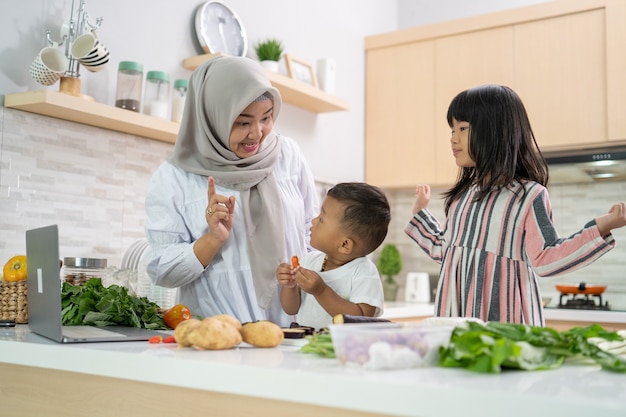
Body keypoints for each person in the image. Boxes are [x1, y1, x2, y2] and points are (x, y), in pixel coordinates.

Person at [404, 84, 626, 326]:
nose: (453, 138)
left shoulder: (528, 196)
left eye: (463, 128)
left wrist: (602, 226)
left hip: (507, 326)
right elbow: (443, 250)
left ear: (494, 132)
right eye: (452, 129)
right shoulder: (462, 197)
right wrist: (419, 212)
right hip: (455, 326)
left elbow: (546, 257)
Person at [144, 56, 319, 327]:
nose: (256, 133)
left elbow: (312, 235)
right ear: (213, 116)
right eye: (242, 122)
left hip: (295, 334)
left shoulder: (288, 156)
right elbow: (163, 271)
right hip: (219, 339)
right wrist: (212, 239)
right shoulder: (174, 177)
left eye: (266, 118)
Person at [276, 182, 390, 330]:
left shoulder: (363, 272)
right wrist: (289, 287)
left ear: (344, 245)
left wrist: (321, 291)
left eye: (322, 219)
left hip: (341, 350)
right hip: (305, 346)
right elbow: (291, 309)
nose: (313, 221)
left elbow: (362, 320)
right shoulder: (309, 261)